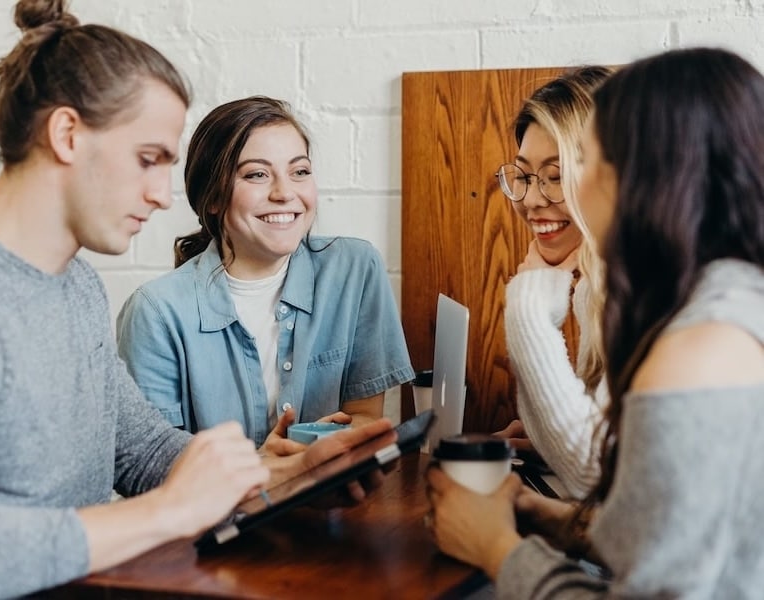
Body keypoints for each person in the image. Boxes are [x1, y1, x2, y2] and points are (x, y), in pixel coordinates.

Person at [0, 2, 393, 598]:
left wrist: (282, 477)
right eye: (147, 160)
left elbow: (142, 451)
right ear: (66, 135)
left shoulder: (76, 288)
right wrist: (172, 511)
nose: (165, 196)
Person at [427, 46, 764, 597]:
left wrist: (497, 548)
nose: (566, 192)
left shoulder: (698, 348)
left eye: (587, 161)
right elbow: (675, 537)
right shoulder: (724, 301)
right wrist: (559, 523)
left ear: (650, 177)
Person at [116, 96, 415, 450]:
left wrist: (325, 446)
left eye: (299, 171)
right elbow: (153, 464)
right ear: (212, 197)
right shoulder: (155, 312)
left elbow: (365, 417)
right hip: (220, 506)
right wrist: (269, 469)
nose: (285, 193)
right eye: (257, 174)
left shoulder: (354, 269)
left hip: (331, 499)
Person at [496, 66, 612, 499]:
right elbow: (600, 457)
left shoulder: (646, 290)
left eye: (556, 175)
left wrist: (528, 306)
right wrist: (547, 439)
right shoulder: (594, 286)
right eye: (524, 176)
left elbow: (594, 477)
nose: (530, 199)